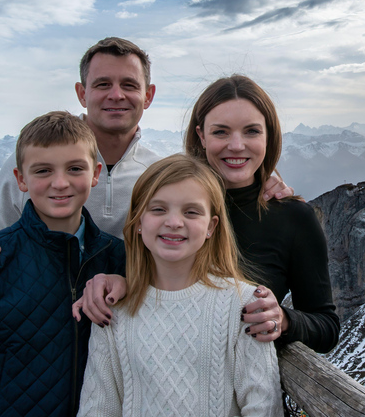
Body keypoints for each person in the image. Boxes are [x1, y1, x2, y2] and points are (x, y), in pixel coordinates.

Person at [0, 38, 292, 290]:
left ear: (148, 95)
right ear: (82, 93)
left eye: (129, 84)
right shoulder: (36, 166)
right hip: (44, 326)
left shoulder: (160, 173)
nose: (116, 95)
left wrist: (260, 180)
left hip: (129, 330)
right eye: (102, 84)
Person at [77, 75, 340, 353]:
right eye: (221, 132)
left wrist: (283, 320)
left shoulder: (293, 217)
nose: (236, 145)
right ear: (201, 136)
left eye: (251, 131)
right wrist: (122, 282)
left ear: (269, 136)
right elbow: (149, 276)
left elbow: (326, 327)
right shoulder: (166, 200)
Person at [0, 112, 126, 416]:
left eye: (75, 168)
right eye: (43, 171)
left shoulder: (119, 259)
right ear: (21, 179)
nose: (60, 183)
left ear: (96, 173)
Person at [76, 154, 281, 416]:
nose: (174, 222)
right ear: (138, 221)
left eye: (191, 212)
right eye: (158, 209)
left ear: (211, 226)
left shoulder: (244, 305)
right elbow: (97, 408)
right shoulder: (113, 310)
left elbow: (263, 406)